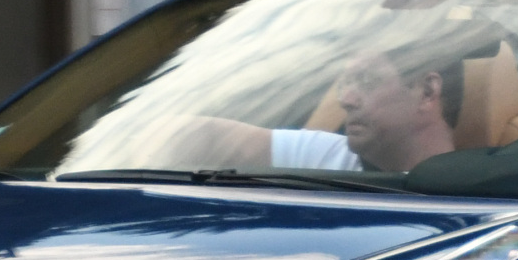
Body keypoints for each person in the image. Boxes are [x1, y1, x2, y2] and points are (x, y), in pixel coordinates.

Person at [160, 48, 461, 174]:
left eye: (367, 82)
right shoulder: (332, 159)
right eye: (345, 84)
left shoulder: (487, 187)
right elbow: (202, 138)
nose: (347, 99)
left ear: (426, 92)